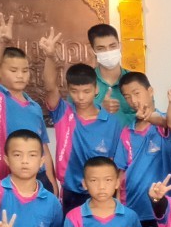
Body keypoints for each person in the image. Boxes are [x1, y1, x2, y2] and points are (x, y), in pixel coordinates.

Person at [0, 14, 57, 191]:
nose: (20, 75)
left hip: (38, 179)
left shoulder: (34, 107)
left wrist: (51, 182)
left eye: (25, 71)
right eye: (13, 70)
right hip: (4, 181)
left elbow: (43, 147)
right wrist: (0, 42)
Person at [43, 60, 123, 212]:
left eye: (86, 91)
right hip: (71, 192)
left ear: (96, 89)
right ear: (68, 90)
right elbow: (49, 87)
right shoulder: (63, 112)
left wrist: (117, 196)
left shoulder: (112, 123)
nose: (80, 97)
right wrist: (50, 56)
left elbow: (117, 165)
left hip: (103, 193)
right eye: (74, 91)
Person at [115, 74, 171, 227]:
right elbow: (121, 172)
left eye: (136, 93)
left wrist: (150, 117)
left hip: (161, 204)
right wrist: (118, 204)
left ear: (150, 91)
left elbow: (166, 122)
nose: (133, 100)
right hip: (132, 205)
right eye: (127, 96)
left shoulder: (165, 124)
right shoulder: (127, 131)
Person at [87, 23, 137, 125]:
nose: (108, 51)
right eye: (101, 48)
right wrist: (99, 109)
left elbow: (151, 116)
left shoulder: (136, 81)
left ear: (120, 46)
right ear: (92, 51)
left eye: (112, 46)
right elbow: (73, 120)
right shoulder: (84, 82)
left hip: (131, 135)